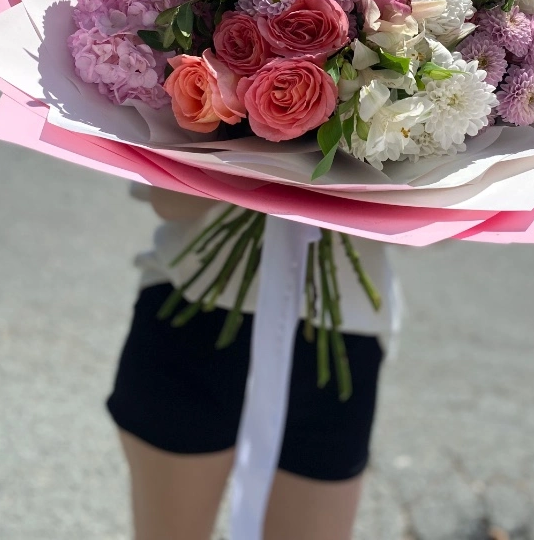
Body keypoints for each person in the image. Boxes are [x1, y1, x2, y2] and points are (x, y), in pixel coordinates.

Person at [107, 184, 396, 540]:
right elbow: (167, 201)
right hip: (195, 313)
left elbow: (433, 232)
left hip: (340, 340)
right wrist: (254, 164)